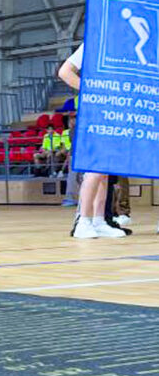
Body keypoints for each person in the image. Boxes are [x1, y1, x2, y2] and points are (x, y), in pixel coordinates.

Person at [58, 44, 125, 238]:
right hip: (93, 112)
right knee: (94, 168)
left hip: (113, 112)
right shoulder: (94, 42)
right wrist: (93, 89)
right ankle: (83, 221)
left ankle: (98, 220)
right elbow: (65, 71)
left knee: (104, 169)